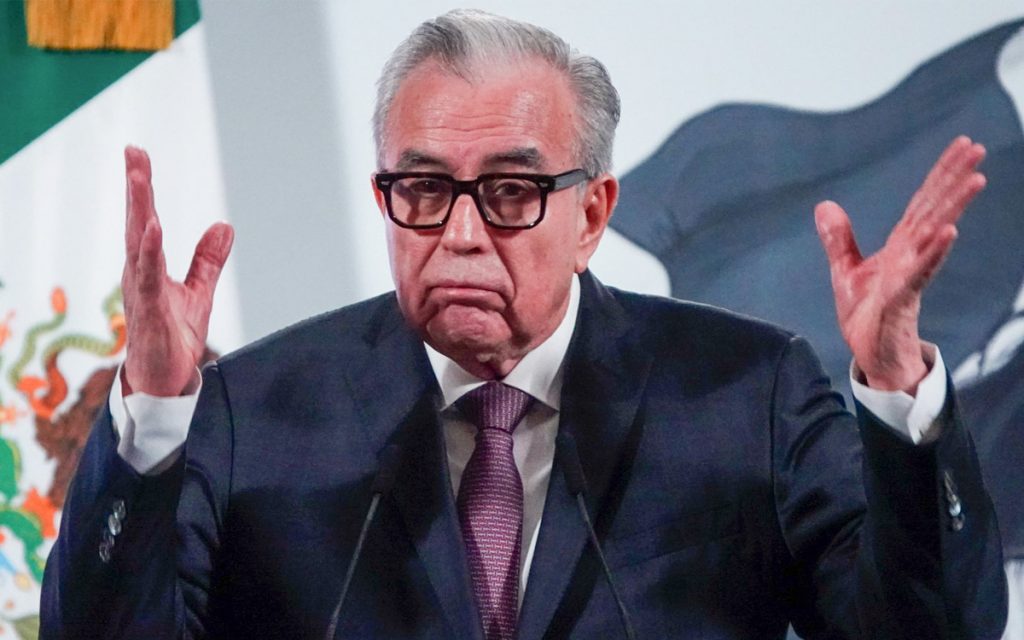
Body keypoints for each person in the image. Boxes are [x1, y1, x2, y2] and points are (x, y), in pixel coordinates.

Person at [40, 10, 1006, 640]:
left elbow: (933, 631)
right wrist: (153, 417)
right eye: (423, 189)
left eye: (509, 192)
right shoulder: (254, 414)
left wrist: (897, 394)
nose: (460, 234)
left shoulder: (746, 394)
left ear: (592, 214)